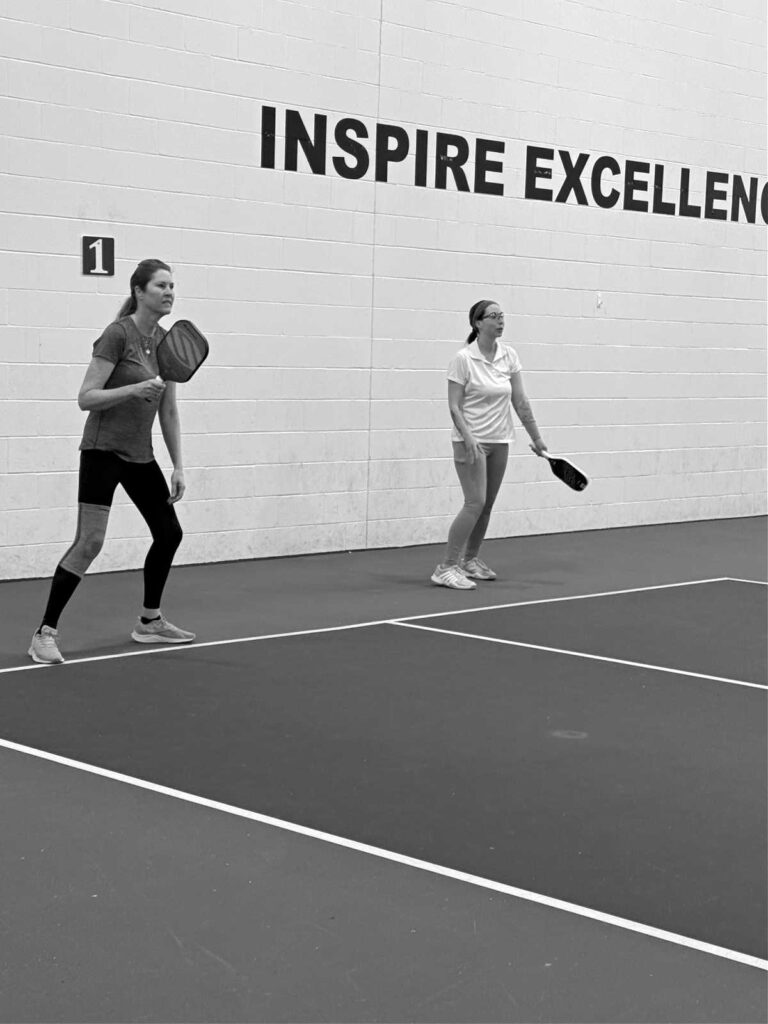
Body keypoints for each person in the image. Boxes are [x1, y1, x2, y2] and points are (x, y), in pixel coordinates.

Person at [28, 259, 195, 664]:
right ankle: (44, 632)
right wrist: (134, 389)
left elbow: (168, 411)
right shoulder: (116, 335)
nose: (169, 291)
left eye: (172, 285)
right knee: (91, 542)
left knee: (169, 533)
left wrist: (178, 465)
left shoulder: (168, 342)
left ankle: (149, 622)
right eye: (161, 285)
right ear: (139, 291)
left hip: (141, 454)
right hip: (102, 452)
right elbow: (86, 397)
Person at [431, 299, 548, 590]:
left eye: (502, 315)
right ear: (478, 323)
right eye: (493, 316)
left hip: (500, 440)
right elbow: (454, 406)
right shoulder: (463, 359)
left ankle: (470, 560)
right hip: (470, 442)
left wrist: (537, 438)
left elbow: (520, 401)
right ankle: (446, 567)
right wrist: (469, 438)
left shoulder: (509, 356)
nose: (500, 320)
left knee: (487, 505)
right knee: (475, 502)